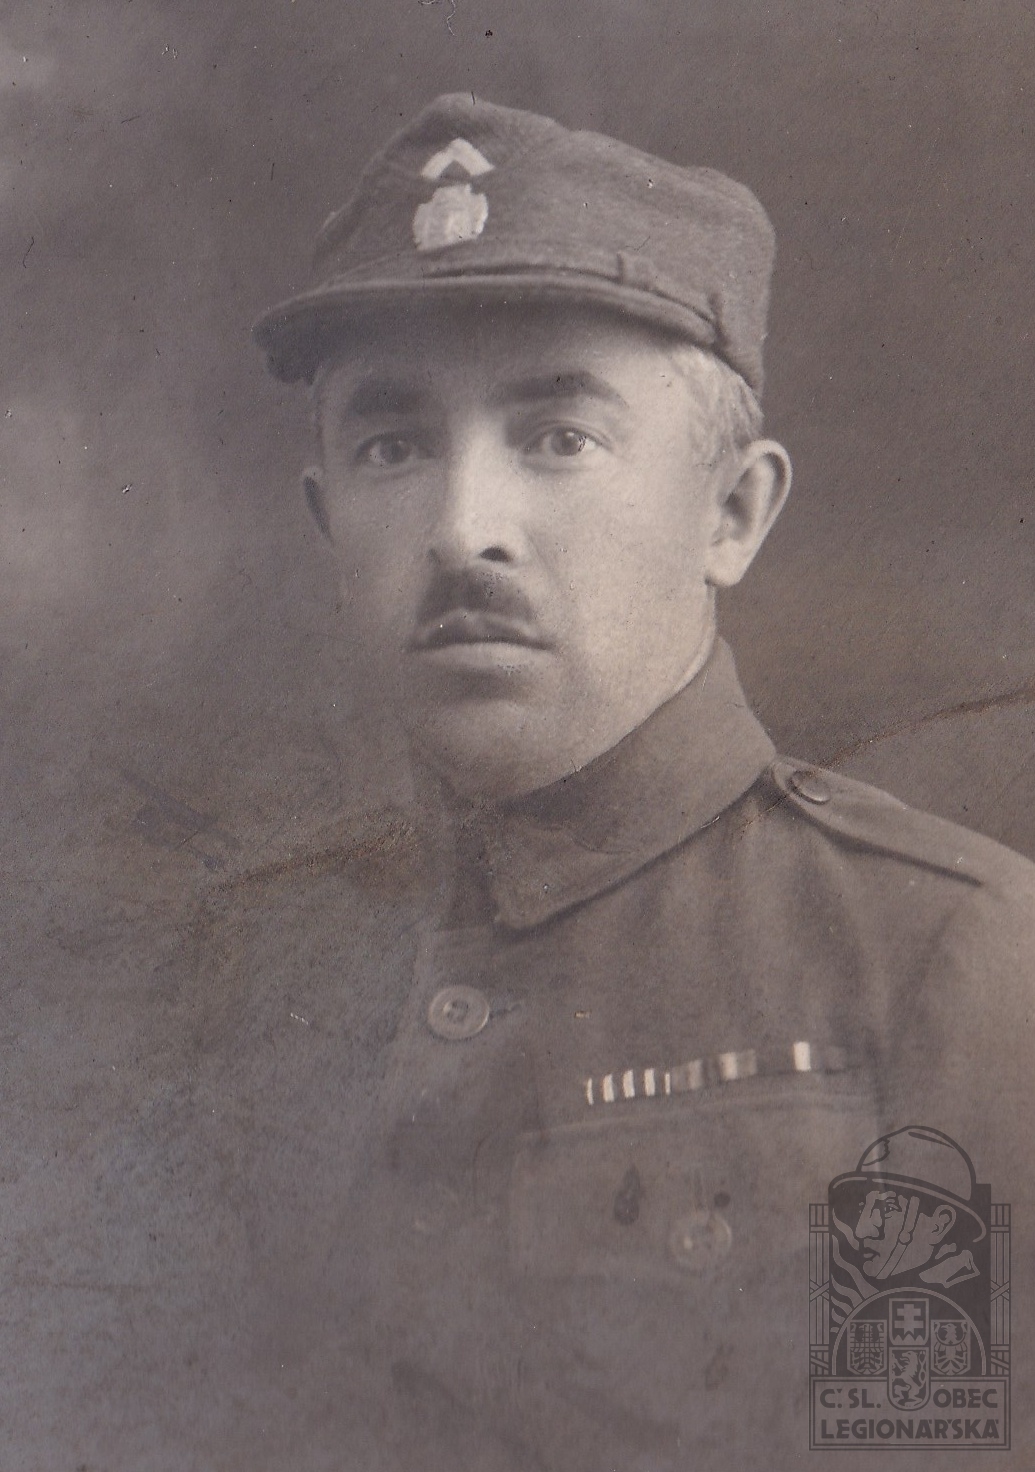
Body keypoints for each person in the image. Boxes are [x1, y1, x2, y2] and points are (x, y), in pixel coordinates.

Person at [221, 94, 1035, 1468]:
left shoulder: (947, 954)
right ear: (324, 523)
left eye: (559, 437)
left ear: (732, 512)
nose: (463, 528)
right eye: (391, 446)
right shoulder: (232, 967)